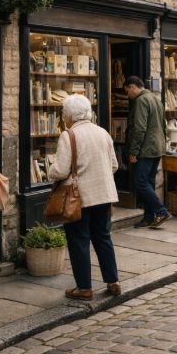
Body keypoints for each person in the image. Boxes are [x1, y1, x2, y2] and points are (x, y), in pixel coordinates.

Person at [48, 95, 122, 301]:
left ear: (71, 114)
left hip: (79, 198)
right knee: (103, 237)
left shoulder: (68, 135)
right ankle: (113, 280)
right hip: (104, 194)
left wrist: (50, 170)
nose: (63, 116)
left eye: (64, 112)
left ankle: (84, 288)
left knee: (79, 241)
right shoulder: (103, 132)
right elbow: (114, 165)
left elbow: (61, 170)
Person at [124, 76, 170, 229]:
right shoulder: (156, 98)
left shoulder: (141, 101)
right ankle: (149, 217)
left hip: (145, 149)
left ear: (132, 87)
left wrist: (133, 151)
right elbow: (163, 124)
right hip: (157, 147)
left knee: (140, 182)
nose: (127, 95)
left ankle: (161, 211)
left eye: (127, 91)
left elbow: (139, 128)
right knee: (149, 182)